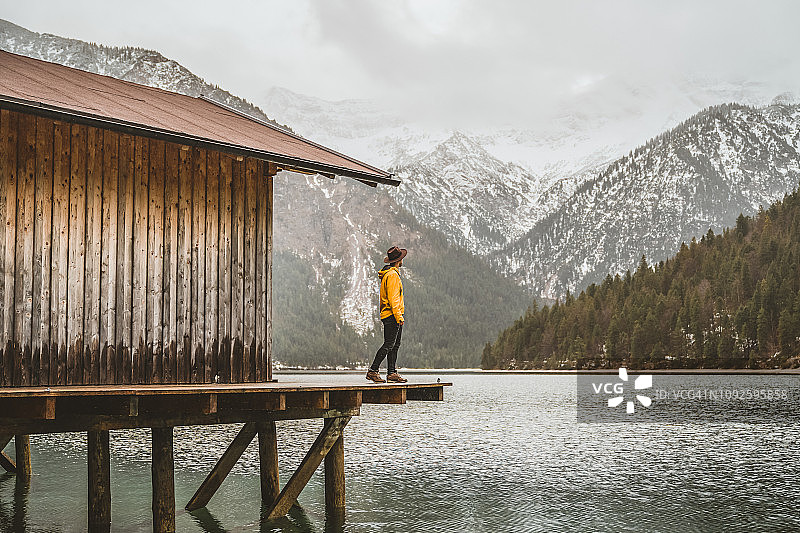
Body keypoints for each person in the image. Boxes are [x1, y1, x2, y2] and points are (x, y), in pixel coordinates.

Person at [366, 246, 408, 383]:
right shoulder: (392, 276)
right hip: (392, 315)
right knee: (389, 344)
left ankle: (392, 373)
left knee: (394, 345)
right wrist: (399, 316)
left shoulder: (389, 274)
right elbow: (393, 299)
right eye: (401, 259)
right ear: (398, 261)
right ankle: (373, 370)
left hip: (391, 315)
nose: (402, 261)